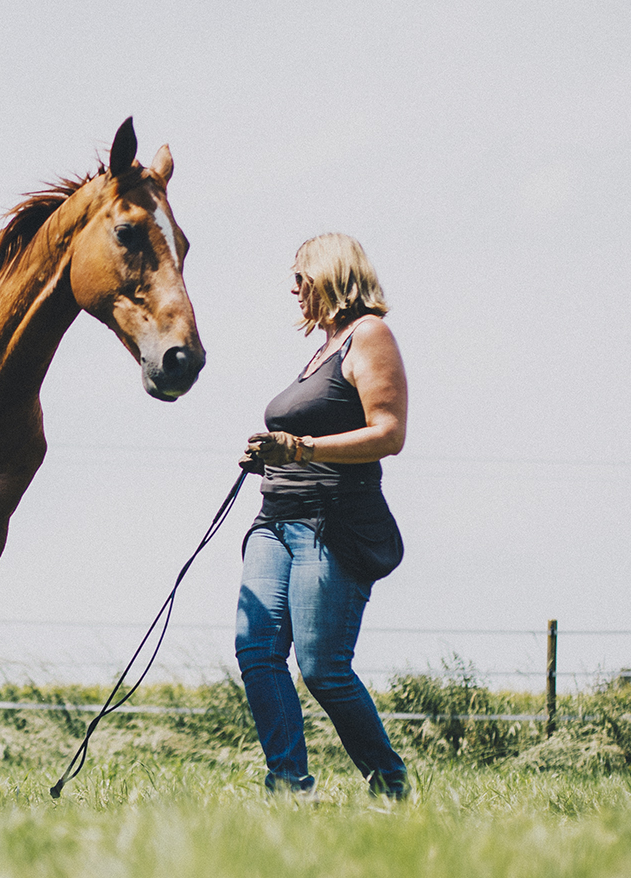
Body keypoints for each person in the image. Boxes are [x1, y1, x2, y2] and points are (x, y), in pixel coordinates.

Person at [237, 232, 409, 800]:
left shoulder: (370, 335)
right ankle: (289, 787)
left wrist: (302, 448)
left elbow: (389, 433)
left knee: (322, 667)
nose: (292, 289)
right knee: (257, 651)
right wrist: (270, 453)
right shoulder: (322, 347)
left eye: (300, 277)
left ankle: (390, 785)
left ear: (332, 275)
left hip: (329, 522)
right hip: (274, 517)